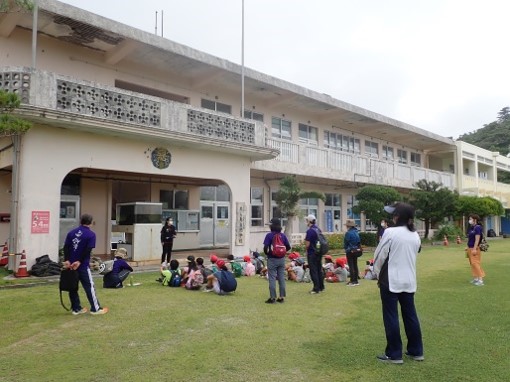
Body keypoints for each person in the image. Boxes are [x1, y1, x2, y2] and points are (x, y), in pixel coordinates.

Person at [373, 203, 423, 364]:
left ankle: (394, 354)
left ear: (397, 217)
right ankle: (416, 351)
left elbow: (379, 256)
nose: (392, 217)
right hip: (409, 280)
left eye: (393, 214)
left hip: (391, 280)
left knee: (391, 316)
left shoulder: (390, 232)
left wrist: (376, 273)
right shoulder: (415, 235)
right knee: (410, 315)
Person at [63, 213, 108, 315]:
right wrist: (79, 261)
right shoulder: (91, 235)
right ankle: (95, 309)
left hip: (71, 266)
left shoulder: (71, 233)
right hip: (82, 265)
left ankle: (76, 308)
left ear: (81, 221)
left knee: (73, 287)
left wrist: (67, 260)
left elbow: (66, 247)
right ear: (91, 223)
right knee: (89, 286)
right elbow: (87, 250)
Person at [263, 218, 291, 303]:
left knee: (272, 278)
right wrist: (282, 253)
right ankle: (281, 297)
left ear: (272, 225)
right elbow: (288, 247)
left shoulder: (269, 235)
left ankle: (272, 298)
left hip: (272, 259)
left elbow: (265, 247)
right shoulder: (283, 235)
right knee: (281, 278)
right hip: (281, 260)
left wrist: (268, 254)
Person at [304, 214, 324, 294]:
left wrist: (305, 250)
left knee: (313, 270)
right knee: (319, 269)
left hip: (312, 252)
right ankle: (321, 286)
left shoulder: (310, 231)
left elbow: (307, 244)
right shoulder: (318, 229)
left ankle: (316, 288)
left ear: (309, 221)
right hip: (319, 252)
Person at [466, 213, 485, 286]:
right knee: (472, 264)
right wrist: (467, 247)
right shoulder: (472, 228)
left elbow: (477, 239)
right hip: (470, 247)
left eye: (470, 219)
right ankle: (476, 278)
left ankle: (480, 279)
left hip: (475, 248)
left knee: (475, 263)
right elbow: (470, 238)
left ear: (475, 220)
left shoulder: (478, 227)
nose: (469, 220)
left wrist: (474, 248)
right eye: (469, 219)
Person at [344, 219, 361, 286]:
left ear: (348, 226)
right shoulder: (356, 232)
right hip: (356, 250)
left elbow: (346, 243)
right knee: (355, 264)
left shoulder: (348, 233)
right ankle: (356, 280)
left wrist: (346, 248)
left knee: (351, 266)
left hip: (350, 250)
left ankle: (352, 280)